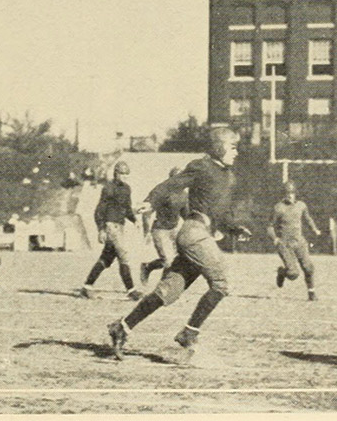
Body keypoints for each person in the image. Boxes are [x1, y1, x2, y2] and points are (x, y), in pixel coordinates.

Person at [107, 128, 251, 362]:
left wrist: (234, 228)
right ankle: (189, 333)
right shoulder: (201, 166)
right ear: (219, 146)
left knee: (167, 292)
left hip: (199, 234)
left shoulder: (228, 175)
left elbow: (219, 214)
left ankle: (122, 327)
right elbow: (172, 184)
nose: (236, 152)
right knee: (221, 283)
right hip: (194, 233)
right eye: (233, 146)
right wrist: (151, 201)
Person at [80, 160, 142, 300]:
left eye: (127, 174)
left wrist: (134, 220)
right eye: (122, 173)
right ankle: (131, 290)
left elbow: (126, 208)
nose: (125, 176)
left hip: (120, 226)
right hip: (111, 225)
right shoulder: (108, 188)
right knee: (123, 256)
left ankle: (87, 286)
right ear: (116, 173)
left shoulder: (127, 188)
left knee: (106, 258)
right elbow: (99, 210)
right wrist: (101, 229)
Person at [267, 180, 322, 301]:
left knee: (308, 267)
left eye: (291, 192)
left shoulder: (301, 205)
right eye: (287, 193)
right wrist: (275, 238)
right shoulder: (278, 208)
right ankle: (282, 272)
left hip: (299, 242)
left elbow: (308, 219)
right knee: (293, 274)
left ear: (295, 193)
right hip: (285, 244)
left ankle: (311, 292)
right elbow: (270, 226)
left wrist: (315, 229)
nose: (289, 195)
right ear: (284, 194)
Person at [139, 167, 188, 285]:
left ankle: (148, 267)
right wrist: (146, 232)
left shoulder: (183, 195)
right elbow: (146, 212)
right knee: (168, 261)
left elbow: (186, 215)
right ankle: (164, 287)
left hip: (174, 228)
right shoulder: (162, 192)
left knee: (179, 259)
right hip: (160, 230)